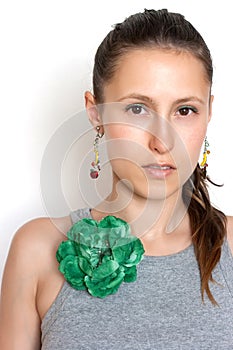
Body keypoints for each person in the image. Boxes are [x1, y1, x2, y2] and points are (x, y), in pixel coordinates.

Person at [0, 8, 233, 349]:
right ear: (96, 114)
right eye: (137, 109)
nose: (162, 141)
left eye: (185, 111)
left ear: (208, 113)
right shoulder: (37, 250)